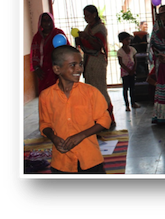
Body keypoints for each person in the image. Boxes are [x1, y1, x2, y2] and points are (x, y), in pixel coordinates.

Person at [39, 45, 112, 173]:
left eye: (80, 64)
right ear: (57, 69)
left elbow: (105, 120)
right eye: (73, 65)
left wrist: (81, 135)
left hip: (90, 159)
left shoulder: (91, 92)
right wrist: (53, 138)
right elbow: (45, 124)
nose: (79, 69)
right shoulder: (46, 96)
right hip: (62, 161)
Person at [75, 5, 115, 127]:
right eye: (84, 16)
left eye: (87, 15)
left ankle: (108, 117)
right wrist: (79, 39)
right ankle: (97, 118)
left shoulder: (100, 28)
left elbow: (98, 45)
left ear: (94, 14)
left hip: (97, 61)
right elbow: (84, 44)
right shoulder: (89, 27)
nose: (86, 18)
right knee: (91, 91)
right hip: (88, 60)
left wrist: (86, 37)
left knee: (100, 89)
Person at [30, 12, 70, 94]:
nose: (47, 23)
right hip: (43, 71)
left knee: (59, 92)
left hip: (58, 69)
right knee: (45, 93)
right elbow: (34, 53)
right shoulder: (37, 37)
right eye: (44, 21)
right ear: (40, 23)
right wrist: (36, 68)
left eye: (49, 20)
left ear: (52, 21)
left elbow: (67, 49)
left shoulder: (58, 33)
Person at [117, 32, 140, 111]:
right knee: (125, 88)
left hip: (132, 72)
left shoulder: (132, 49)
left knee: (132, 88)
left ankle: (133, 103)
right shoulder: (119, 51)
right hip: (125, 73)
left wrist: (133, 69)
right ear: (121, 41)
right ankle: (127, 105)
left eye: (129, 39)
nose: (128, 41)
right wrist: (128, 70)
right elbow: (121, 63)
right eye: (126, 40)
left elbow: (135, 60)